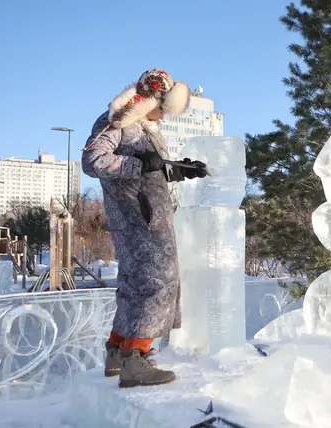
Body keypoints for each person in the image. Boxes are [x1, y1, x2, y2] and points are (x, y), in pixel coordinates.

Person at [82, 69, 209, 388]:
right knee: (157, 282)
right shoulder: (117, 121)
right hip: (138, 218)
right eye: (162, 109)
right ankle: (136, 360)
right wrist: (141, 165)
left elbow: (148, 170)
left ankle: (119, 351)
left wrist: (178, 169)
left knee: (136, 283)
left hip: (145, 216)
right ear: (149, 100)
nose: (163, 117)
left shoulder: (142, 126)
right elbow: (93, 161)